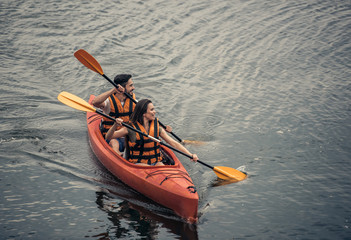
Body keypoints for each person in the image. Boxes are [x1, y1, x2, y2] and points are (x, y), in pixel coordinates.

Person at [105, 99, 199, 166]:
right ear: (144, 114)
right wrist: (114, 125)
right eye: (152, 110)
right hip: (139, 163)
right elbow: (109, 137)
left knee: (162, 168)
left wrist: (190, 155)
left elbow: (173, 143)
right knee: (152, 170)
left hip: (156, 161)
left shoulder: (156, 127)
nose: (155, 111)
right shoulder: (130, 128)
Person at [92, 74, 136, 156]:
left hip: (127, 135)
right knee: (114, 143)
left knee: (135, 142)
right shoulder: (108, 102)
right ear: (122, 87)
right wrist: (113, 90)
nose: (133, 88)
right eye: (130, 85)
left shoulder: (134, 101)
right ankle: (118, 156)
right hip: (112, 135)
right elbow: (95, 102)